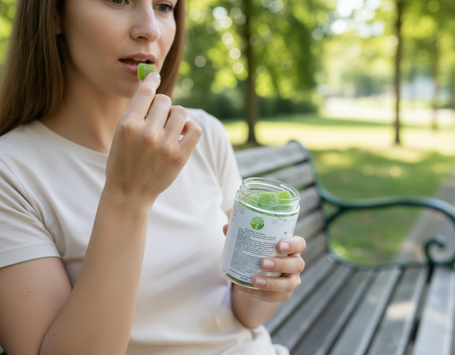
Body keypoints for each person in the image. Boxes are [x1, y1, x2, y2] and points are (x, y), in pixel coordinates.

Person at [0, 0, 306, 354]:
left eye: (163, 6)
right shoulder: (12, 171)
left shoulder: (202, 133)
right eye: (118, 0)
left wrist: (266, 282)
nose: (151, 28)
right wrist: (128, 197)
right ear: (54, 14)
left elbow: (246, 315)